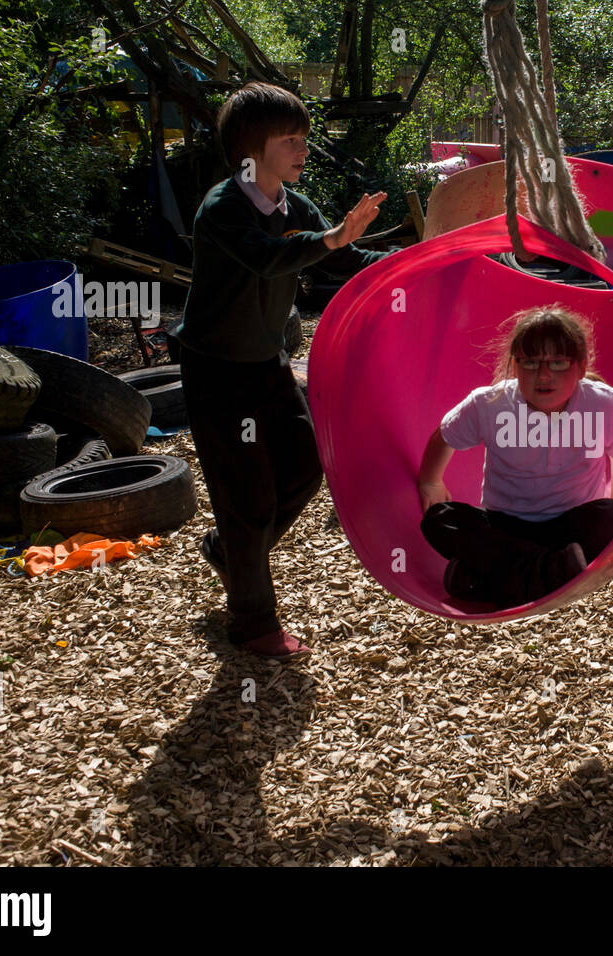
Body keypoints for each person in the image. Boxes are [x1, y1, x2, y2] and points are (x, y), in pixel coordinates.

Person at [171, 81, 387, 659]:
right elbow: (269, 260)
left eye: (304, 139)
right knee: (246, 498)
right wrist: (332, 236)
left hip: (268, 363)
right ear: (251, 151)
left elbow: (342, 257)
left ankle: (231, 551)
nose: (303, 150)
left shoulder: (297, 207)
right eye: (290, 140)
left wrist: (414, 257)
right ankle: (252, 621)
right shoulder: (223, 208)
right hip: (217, 372)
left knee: (304, 470)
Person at [417, 305, 613, 608]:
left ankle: (488, 577)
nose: (544, 375)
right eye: (531, 363)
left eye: (559, 363)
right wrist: (431, 481)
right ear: (514, 365)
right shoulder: (491, 403)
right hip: (504, 525)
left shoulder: (602, 404)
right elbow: (444, 435)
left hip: (569, 525)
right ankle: (549, 571)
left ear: (580, 364)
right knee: (439, 519)